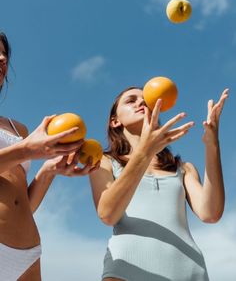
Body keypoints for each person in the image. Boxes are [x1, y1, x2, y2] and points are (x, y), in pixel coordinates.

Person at [89, 85, 229, 281]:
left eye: (145, 100)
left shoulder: (183, 168)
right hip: (125, 270)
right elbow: (107, 214)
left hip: (189, 271)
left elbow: (211, 213)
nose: (140, 103)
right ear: (115, 121)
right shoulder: (104, 162)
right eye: (131, 100)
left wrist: (212, 143)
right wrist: (144, 153)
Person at [0, 32, 98, 281]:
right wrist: (26, 150)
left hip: (27, 251)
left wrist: (49, 170)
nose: (2, 58)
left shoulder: (17, 128)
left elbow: (22, 203)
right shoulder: (24, 142)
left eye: (4, 54)